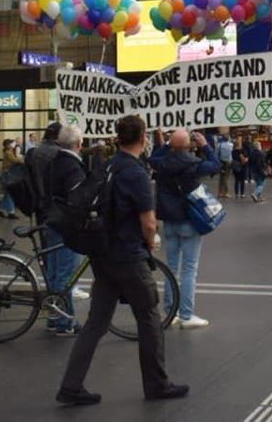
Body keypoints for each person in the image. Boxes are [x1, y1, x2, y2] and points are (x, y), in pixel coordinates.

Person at [57, 114, 188, 406]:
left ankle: (71, 385)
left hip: (102, 253)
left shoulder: (107, 165)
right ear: (143, 138)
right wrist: (151, 241)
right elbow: (148, 221)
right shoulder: (136, 173)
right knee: (149, 317)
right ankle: (157, 384)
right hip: (128, 256)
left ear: (118, 138)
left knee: (96, 323)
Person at [150, 127, 220, 328]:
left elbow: (152, 158)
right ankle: (187, 315)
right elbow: (216, 164)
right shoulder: (194, 164)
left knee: (171, 268)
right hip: (189, 220)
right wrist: (205, 146)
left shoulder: (161, 163)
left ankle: (170, 311)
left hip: (169, 221)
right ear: (189, 145)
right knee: (189, 269)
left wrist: (166, 143)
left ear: (172, 144)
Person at [42, 124, 88, 336]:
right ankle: (64, 322)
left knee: (53, 272)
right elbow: (77, 199)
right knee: (65, 275)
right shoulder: (72, 167)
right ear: (79, 143)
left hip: (52, 220)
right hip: (67, 225)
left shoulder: (54, 162)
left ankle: (53, 317)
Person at [246, 135, 266, 202]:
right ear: (258, 146)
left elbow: (249, 162)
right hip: (260, 170)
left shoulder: (252, 153)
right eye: (260, 145)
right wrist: (264, 170)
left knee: (258, 183)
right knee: (261, 184)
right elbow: (262, 163)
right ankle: (255, 194)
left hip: (253, 171)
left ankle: (259, 197)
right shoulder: (260, 154)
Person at [215, 134, 234, 199]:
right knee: (226, 178)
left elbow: (216, 154)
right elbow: (232, 153)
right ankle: (226, 192)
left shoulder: (219, 145)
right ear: (228, 138)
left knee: (221, 177)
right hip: (228, 162)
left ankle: (220, 192)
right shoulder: (231, 145)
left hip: (221, 162)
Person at [231, 135, 248, 199]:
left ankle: (236, 194)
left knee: (236, 181)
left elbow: (232, 158)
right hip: (242, 167)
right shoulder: (242, 150)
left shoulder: (232, 152)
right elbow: (246, 157)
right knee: (242, 181)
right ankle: (242, 194)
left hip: (236, 167)